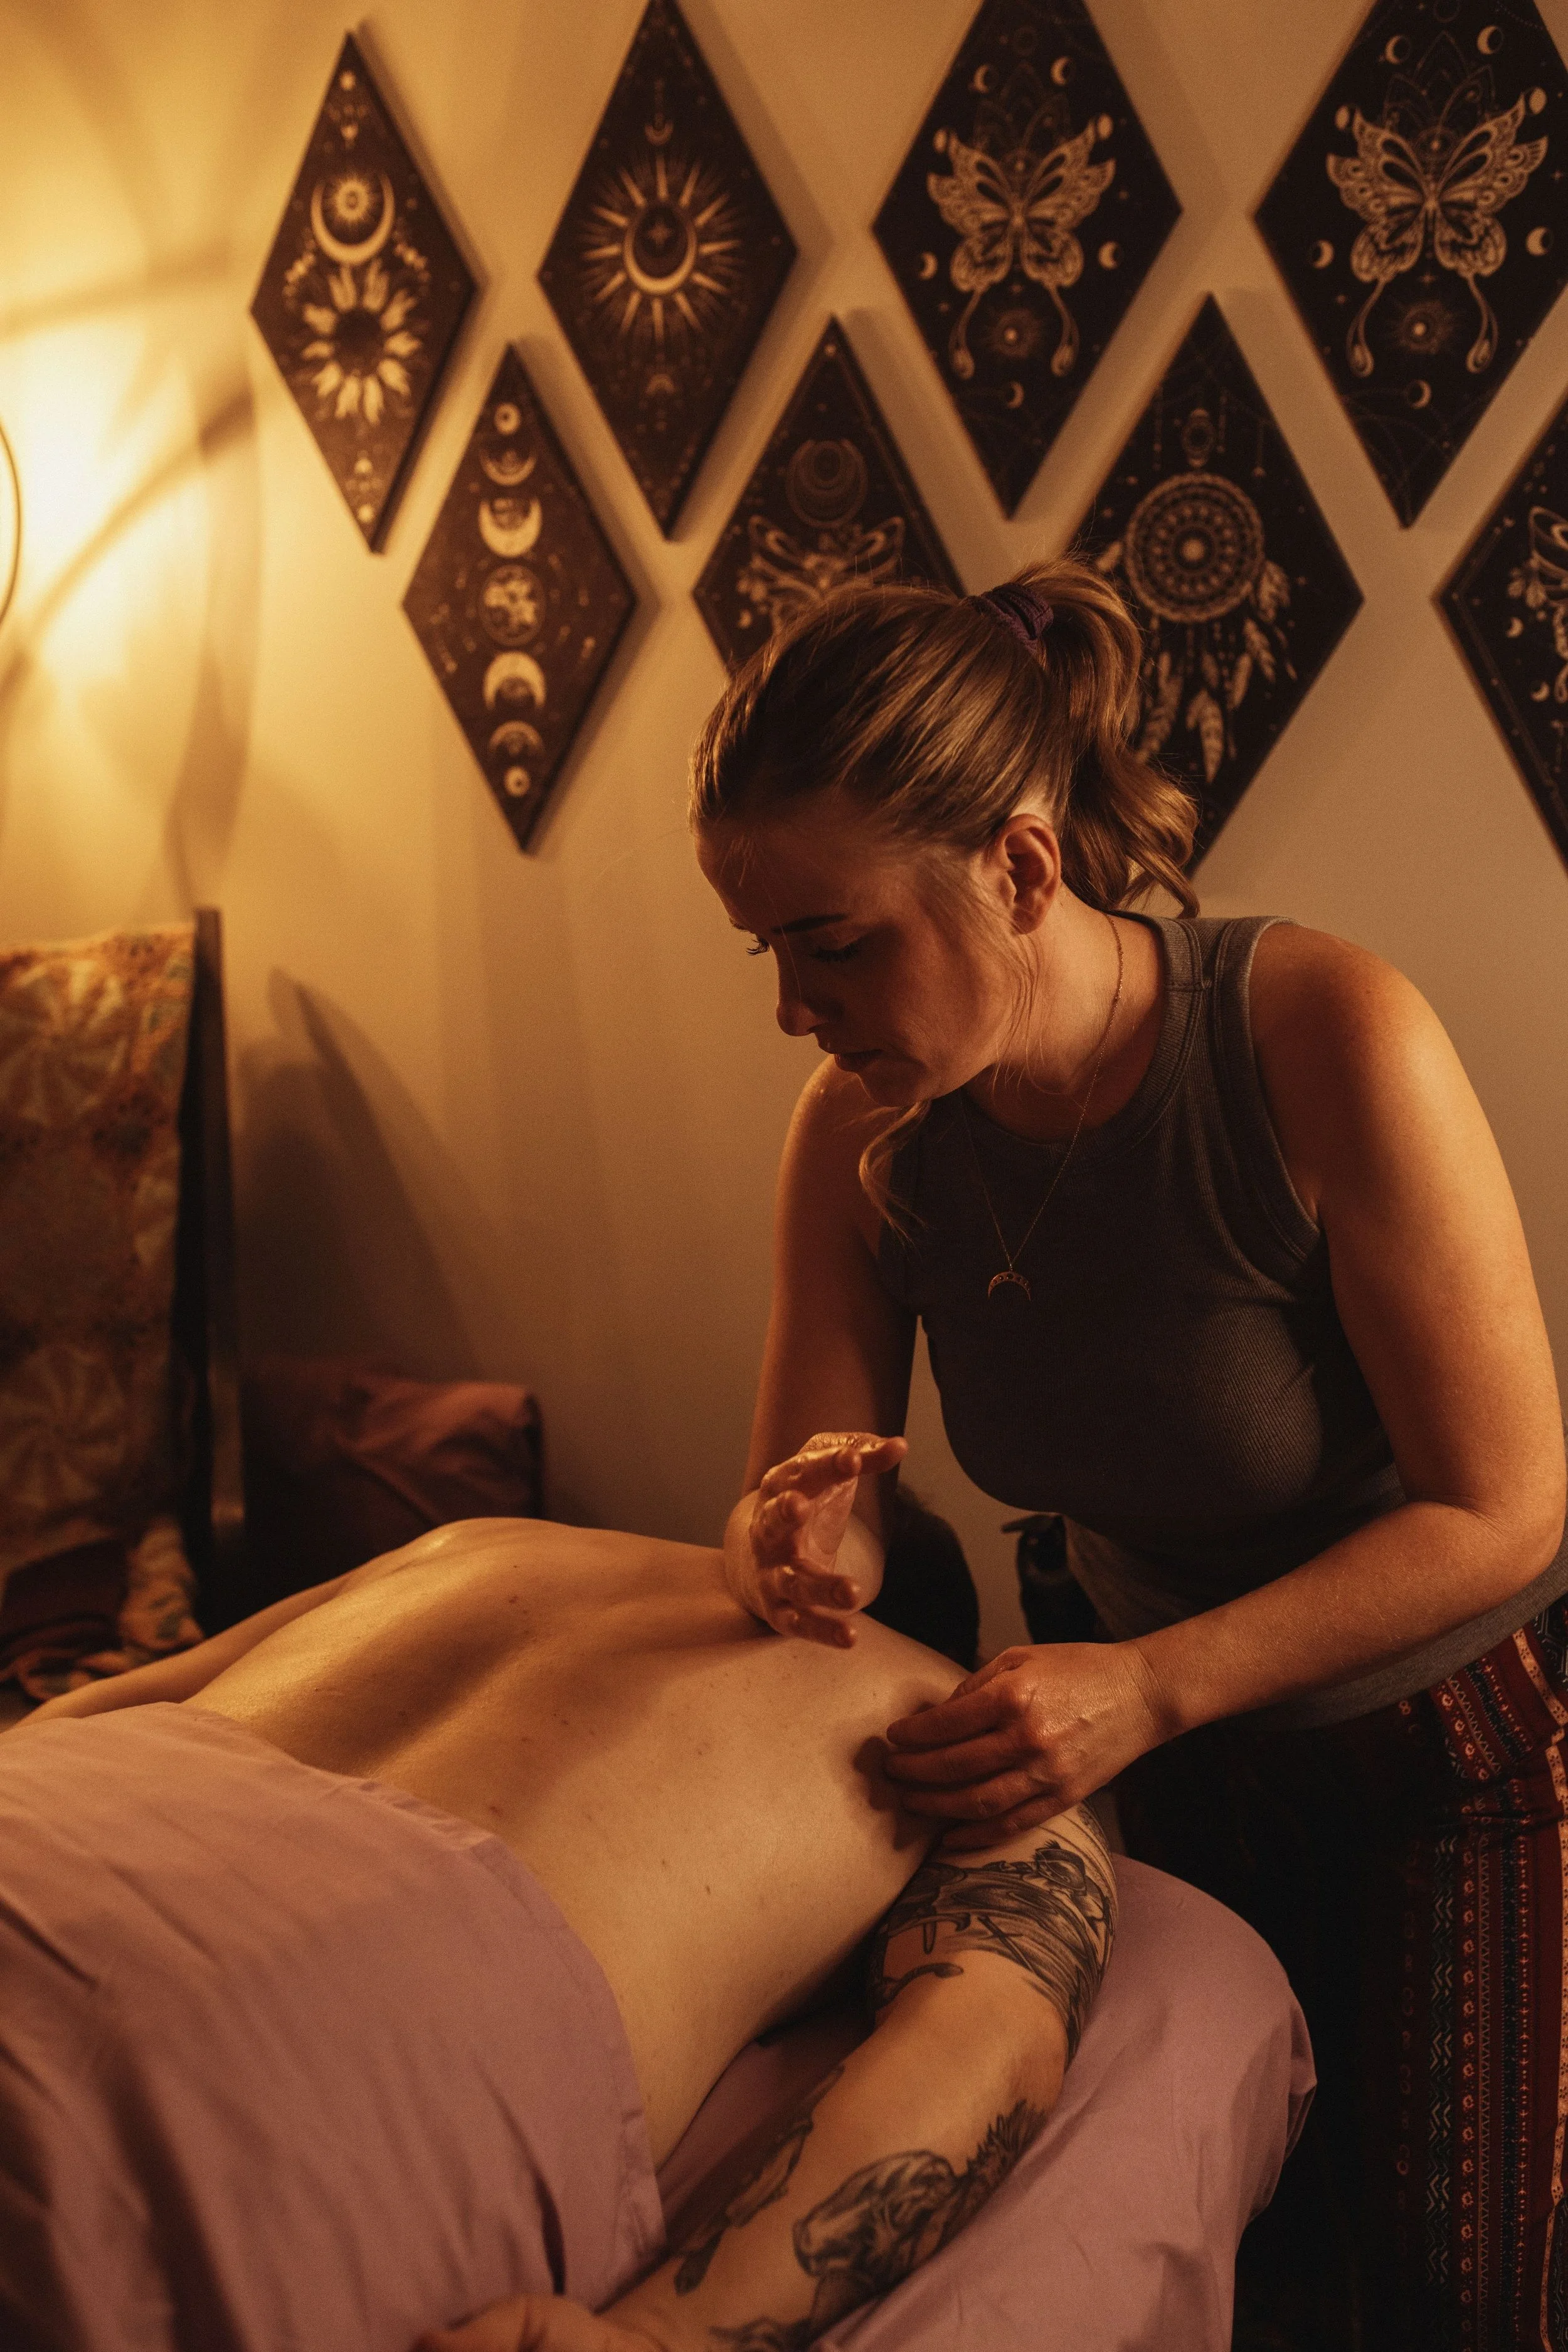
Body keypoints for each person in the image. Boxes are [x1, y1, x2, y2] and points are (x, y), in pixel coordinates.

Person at [691, 558, 1568, 2351]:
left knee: (1443, 2300)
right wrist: (805, 1545)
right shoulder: (860, 1132)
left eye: (832, 940)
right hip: (1144, 1753)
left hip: (1432, 1764)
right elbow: (821, 1485)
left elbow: (1509, 1504)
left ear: (1016, 864)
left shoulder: (1318, 1032)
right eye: (762, 947)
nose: (792, 1004)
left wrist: (1155, 1683)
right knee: (1219, 2249)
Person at [0, 1513, 1115, 2352]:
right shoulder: (972, 1732)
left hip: (52, 1820)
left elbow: (86, 1714)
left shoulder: (478, 1544)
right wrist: (660, 2337)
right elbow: (989, 2042)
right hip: (316, 2018)